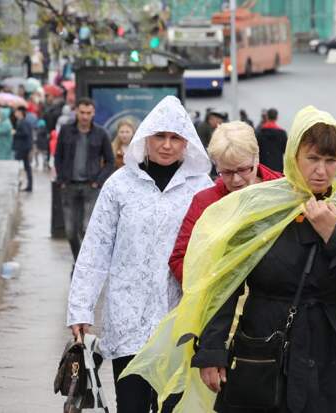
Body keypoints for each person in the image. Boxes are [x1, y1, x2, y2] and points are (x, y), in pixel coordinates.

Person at [122, 106, 336, 412]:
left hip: (330, 346)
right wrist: (212, 352)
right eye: (313, 159)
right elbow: (226, 281)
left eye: (330, 161)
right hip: (265, 343)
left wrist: (332, 236)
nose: (321, 170)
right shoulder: (261, 207)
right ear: (294, 156)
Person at [66, 96, 213, 413]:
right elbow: (96, 248)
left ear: (186, 142)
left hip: (178, 322)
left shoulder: (201, 189)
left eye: (175, 138)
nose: (167, 145)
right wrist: (80, 308)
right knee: (131, 405)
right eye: (160, 136)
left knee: (173, 405)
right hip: (127, 318)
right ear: (146, 138)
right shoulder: (120, 185)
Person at [168, 121, 282, 283]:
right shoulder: (205, 201)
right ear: (216, 167)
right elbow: (179, 259)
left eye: (243, 169)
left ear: (256, 157)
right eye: (226, 172)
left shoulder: (283, 189)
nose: (236, 180)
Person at [54, 97, 114, 262]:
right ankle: (78, 260)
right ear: (76, 112)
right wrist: (61, 178)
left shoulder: (101, 133)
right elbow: (58, 155)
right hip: (69, 185)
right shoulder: (66, 130)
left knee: (87, 229)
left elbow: (110, 161)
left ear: (93, 113)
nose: (85, 116)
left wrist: (98, 182)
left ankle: (84, 265)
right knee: (70, 231)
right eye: (82, 112)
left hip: (90, 186)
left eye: (88, 113)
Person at [256, 108, 288, 173]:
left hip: (263, 168)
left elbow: (256, 150)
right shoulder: (282, 133)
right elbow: (286, 150)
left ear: (267, 117)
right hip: (277, 168)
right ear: (277, 117)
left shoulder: (260, 133)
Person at [12, 106, 33, 192]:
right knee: (26, 166)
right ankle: (28, 185)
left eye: (16, 112)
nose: (15, 113)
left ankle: (25, 184)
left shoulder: (23, 122)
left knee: (23, 166)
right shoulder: (22, 122)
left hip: (23, 147)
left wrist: (15, 133)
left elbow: (25, 133)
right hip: (24, 147)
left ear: (20, 112)